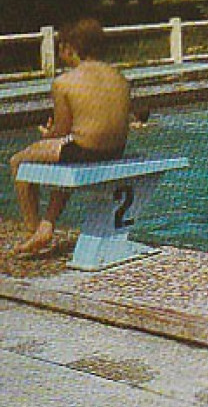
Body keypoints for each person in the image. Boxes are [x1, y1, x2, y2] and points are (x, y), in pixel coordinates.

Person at [8, 18, 132, 255]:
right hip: (116, 149)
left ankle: (33, 228)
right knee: (65, 157)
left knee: (18, 161)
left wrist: (47, 135)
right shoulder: (119, 76)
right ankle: (48, 224)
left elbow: (63, 131)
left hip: (85, 149)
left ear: (68, 48)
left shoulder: (64, 82)